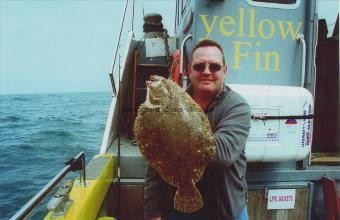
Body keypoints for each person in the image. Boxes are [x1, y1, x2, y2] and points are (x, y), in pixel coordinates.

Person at [144, 39, 251, 220]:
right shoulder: (169, 104)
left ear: (225, 70)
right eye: (199, 66)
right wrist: (152, 209)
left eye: (215, 67)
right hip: (177, 209)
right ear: (189, 71)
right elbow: (154, 161)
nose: (207, 72)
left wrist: (172, 133)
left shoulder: (237, 106)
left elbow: (222, 153)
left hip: (225, 209)